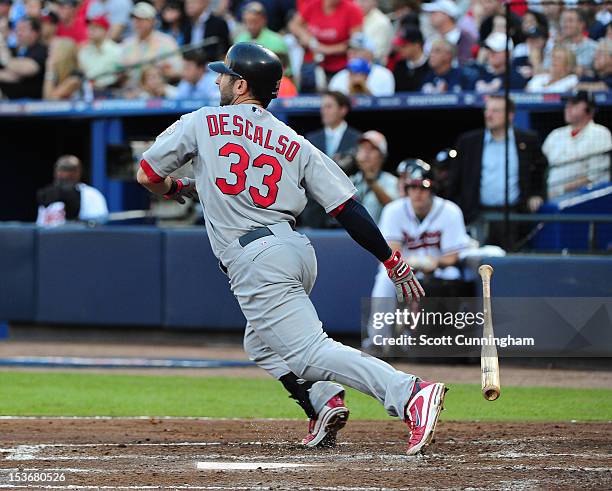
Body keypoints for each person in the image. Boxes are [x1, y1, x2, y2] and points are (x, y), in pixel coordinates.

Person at [136, 42, 445, 456]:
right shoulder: (293, 140)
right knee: (261, 342)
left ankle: (410, 394)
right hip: (295, 250)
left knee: (307, 353)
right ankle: (322, 402)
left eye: (224, 74)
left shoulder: (201, 121)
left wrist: (174, 188)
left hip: (255, 258)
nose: (218, 80)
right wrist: (389, 258)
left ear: (241, 84)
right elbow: (346, 207)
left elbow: (147, 174)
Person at [364, 160, 472, 347]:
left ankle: (446, 341)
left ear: (432, 189)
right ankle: (378, 341)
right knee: (384, 278)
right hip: (403, 266)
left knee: (453, 276)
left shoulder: (450, 211)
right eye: (412, 187)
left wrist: (434, 263)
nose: (417, 193)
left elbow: (453, 256)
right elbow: (390, 251)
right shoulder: (394, 210)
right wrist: (414, 263)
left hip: (439, 267)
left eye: (423, 187)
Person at [449, 95, 548, 247]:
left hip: (515, 217)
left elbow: (539, 169)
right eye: (487, 110)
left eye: (495, 111)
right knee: (479, 264)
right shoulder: (468, 142)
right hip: (477, 216)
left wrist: (536, 194)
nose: (488, 115)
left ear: (510, 115)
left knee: (514, 263)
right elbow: (455, 180)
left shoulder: (528, 140)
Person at [301, 90, 361, 227]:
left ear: (343, 110)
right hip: (315, 212)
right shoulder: (310, 139)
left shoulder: (357, 139)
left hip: (345, 210)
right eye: (322, 107)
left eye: (329, 107)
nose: (324, 111)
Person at [542, 91, 611, 199]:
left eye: (574, 104)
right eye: (567, 104)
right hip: (550, 199)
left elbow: (596, 176)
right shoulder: (556, 134)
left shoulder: (600, 133)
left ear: (590, 109)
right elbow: (541, 165)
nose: (568, 108)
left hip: (582, 200)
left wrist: (561, 189)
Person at [288, 0, 363, 83]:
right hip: (312, 63)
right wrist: (307, 37)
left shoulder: (352, 9)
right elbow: (294, 25)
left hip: (341, 66)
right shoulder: (314, 4)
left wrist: (324, 49)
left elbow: (355, 43)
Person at [120, 2, 182, 90]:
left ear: (153, 21)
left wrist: (161, 70)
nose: (137, 22)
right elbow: (119, 71)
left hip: (160, 91)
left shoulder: (166, 41)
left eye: (142, 19)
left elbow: (178, 71)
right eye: (135, 19)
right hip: (132, 92)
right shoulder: (126, 43)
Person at [37, 154, 109, 226]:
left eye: (69, 170)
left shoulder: (91, 195)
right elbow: (40, 225)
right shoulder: (47, 193)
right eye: (61, 169)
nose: (64, 174)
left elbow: (98, 224)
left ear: (78, 173)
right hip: (48, 235)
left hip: (78, 235)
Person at [351, 130, 399, 223]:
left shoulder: (392, 181)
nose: (366, 153)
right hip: (346, 236)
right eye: (362, 148)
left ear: (382, 155)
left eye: (371, 149)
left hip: (382, 236)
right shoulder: (351, 180)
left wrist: (373, 183)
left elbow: (395, 210)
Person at [328, 32, 395, 96]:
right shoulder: (339, 77)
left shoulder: (383, 74)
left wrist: (364, 89)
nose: (352, 53)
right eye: (350, 50)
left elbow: (386, 104)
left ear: (370, 54)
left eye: (357, 50)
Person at [0, 16, 47, 99]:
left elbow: (29, 69)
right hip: (10, 104)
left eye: (23, 29)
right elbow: (8, 75)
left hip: (33, 105)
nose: (18, 33)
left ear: (35, 33)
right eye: (17, 29)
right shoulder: (14, 50)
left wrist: (5, 59)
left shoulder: (41, 49)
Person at [421, 0, 476, 66]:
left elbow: (464, 64)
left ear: (446, 15)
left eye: (434, 13)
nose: (431, 17)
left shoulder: (466, 38)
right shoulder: (431, 39)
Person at [545, 9, 598, 77]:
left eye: (570, 21)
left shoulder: (594, 47)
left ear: (581, 24)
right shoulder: (555, 46)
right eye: (563, 21)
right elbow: (544, 69)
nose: (566, 24)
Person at [78, 15, 122, 90]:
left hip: (111, 90)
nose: (91, 30)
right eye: (89, 27)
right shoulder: (84, 51)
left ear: (105, 30)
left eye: (95, 27)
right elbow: (83, 73)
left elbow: (121, 74)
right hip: (89, 90)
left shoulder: (116, 50)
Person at [392, 25, 428, 92]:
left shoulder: (430, 65)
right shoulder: (399, 65)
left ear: (417, 45)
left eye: (403, 46)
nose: (399, 49)